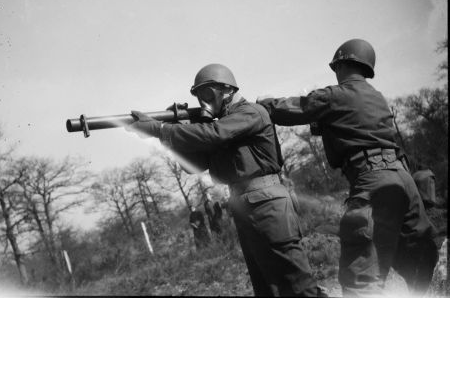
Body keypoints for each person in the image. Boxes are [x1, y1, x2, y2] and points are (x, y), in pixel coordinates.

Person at [258, 39, 438, 297]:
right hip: (402, 177)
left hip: (372, 179)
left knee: (360, 277)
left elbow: (293, 109)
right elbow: (351, 125)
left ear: (340, 65)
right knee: (418, 253)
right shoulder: (376, 97)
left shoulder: (335, 95)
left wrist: (262, 104)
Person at [127, 63, 323, 297]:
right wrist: (169, 135)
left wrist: (161, 129)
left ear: (228, 90)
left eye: (208, 94)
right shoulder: (220, 126)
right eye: (199, 96)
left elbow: (214, 134)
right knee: (266, 287)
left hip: (268, 204)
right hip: (243, 205)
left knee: (297, 283)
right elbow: (195, 165)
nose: (204, 102)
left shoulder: (250, 113)